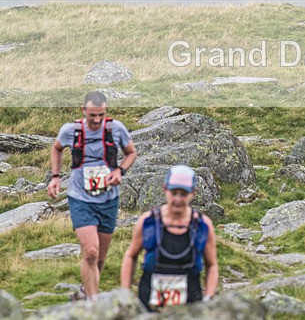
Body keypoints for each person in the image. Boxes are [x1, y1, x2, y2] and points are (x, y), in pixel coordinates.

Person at [46, 90, 137, 301]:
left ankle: (85, 292)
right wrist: (55, 176)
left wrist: (119, 170)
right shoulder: (71, 131)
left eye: (101, 115)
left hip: (108, 199)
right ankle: (93, 305)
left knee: (101, 258)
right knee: (91, 252)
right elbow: (57, 148)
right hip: (80, 198)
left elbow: (131, 153)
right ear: (83, 111)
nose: (96, 120)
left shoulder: (117, 129)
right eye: (92, 115)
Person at [121, 165, 218, 310]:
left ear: (193, 193)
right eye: (174, 192)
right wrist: (125, 293)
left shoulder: (203, 226)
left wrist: (209, 297)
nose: (178, 199)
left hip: (190, 306)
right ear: (165, 190)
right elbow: (130, 256)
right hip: (149, 304)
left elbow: (212, 265)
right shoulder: (148, 222)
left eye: (184, 194)